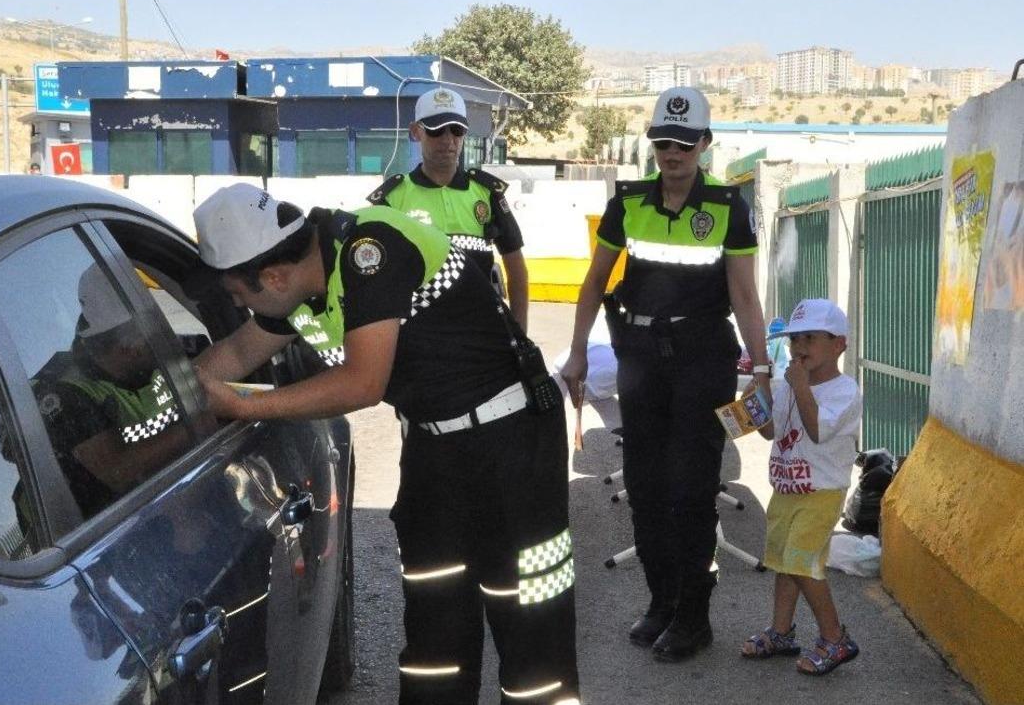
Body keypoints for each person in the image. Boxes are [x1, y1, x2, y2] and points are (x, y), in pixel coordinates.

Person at [191, 183, 579, 705]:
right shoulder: (298, 284)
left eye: (240, 295)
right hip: (434, 449)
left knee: (532, 628)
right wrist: (167, 399)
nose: (240, 306)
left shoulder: (369, 250)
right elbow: (237, 354)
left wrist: (242, 405)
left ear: (274, 276)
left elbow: (362, 383)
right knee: (435, 630)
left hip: (510, 444)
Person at [560, 85, 771, 663]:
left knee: (691, 488)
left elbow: (745, 296)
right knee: (646, 485)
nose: (672, 153)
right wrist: (578, 352)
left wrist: (761, 369)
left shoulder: (727, 207)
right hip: (642, 356)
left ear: (704, 143)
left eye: (683, 143)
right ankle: (662, 601)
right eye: (662, 143)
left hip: (703, 356)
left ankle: (694, 617)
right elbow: (595, 281)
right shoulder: (628, 202)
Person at [739, 298, 861, 675]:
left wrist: (800, 387)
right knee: (783, 561)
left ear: (838, 344)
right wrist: (753, 406)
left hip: (821, 491)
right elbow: (772, 432)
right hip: (786, 488)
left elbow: (817, 429)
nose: (799, 347)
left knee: (801, 562)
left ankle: (835, 637)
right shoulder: (790, 385)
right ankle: (781, 632)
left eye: (810, 338)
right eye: (794, 339)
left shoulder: (845, 391)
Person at [367, 87, 530, 330]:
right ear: (416, 132)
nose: (448, 139)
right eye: (436, 130)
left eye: (456, 130)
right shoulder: (391, 199)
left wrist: (520, 334)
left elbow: (515, 266)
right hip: (417, 334)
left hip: (478, 331)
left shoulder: (487, 193)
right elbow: (373, 280)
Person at [33, 266, 190, 517]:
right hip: (136, 521)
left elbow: (233, 354)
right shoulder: (69, 398)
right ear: (129, 348)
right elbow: (119, 470)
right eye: (152, 328)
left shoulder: (156, 354)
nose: (163, 335)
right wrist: (196, 422)